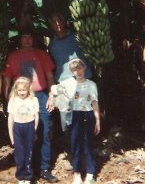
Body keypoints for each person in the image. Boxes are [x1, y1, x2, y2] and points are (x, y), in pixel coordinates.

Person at [2, 30, 59, 183]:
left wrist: (52, 96)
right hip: (20, 97)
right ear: (19, 39)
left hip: (40, 96)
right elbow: (7, 78)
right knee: (23, 134)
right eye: (24, 37)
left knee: (44, 131)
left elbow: (49, 76)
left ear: (34, 39)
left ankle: (44, 168)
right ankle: (28, 170)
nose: (27, 40)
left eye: (29, 37)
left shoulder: (42, 54)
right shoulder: (13, 56)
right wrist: (8, 97)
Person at [48, 12, 92, 170]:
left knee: (84, 119)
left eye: (60, 19)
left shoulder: (77, 37)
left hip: (81, 82)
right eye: (53, 21)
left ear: (65, 22)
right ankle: (72, 154)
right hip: (63, 85)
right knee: (66, 121)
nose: (57, 23)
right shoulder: (52, 44)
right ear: (50, 25)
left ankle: (86, 156)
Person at [49, 58, 100, 184]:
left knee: (88, 144)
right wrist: (51, 98)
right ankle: (76, 174)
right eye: (75, 69)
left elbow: (94, 103)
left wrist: (98, 120)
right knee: (74, 144)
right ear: (72, 71)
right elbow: (53, 89)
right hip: (73, 115)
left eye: (80, 67)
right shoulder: (68, 83)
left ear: (84, 68)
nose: (78, 71)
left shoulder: (91, 84)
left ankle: (90, 173)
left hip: (88, 115)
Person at [7, 77, 39, 184]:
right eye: (19, 90)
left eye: (24, 90)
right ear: (16, 90)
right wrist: (11, 136)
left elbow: (36, 116)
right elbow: (10, 118)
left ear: (28, 90)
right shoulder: (13, 100)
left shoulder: (33, 100)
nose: (22, 92)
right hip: (18, 128)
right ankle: (21, 177)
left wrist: (34, 130)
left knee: (28, 153)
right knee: (19, 155)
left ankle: (28, 177)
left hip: (29, 127)